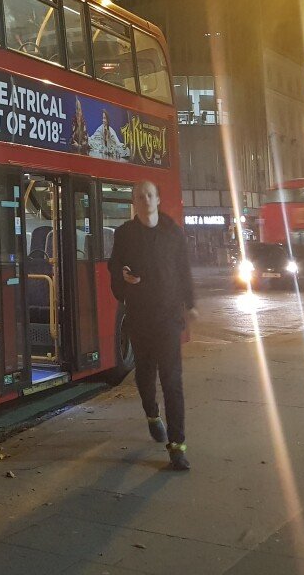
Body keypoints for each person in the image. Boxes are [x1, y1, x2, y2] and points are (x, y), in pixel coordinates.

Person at [109, 180, 196, 471]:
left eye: (150, 195)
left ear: (157, 199)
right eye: (139, 196)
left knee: (172, 381)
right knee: (146, 376)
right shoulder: (124, 234)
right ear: (134, 202)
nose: (145, 199)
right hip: (140, 317)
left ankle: (177, 447)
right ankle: (151, 414)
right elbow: (115, 266)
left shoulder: (174, 233)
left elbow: (184, 271)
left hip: (169, 317)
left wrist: (191, 305)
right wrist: (123, 276)